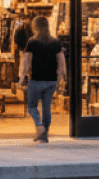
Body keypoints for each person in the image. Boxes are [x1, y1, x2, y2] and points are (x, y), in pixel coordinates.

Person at [19, 15, 66, 143]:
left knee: (32, 106)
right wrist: (62, 75)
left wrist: (22, 76)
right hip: (51, 80)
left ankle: (39, 127)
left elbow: (26, 60)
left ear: (35, 27)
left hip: (37, 78)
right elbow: (61, 60)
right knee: (47, 107)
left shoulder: (32, 41)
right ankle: (45, 134)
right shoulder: (55, 42)